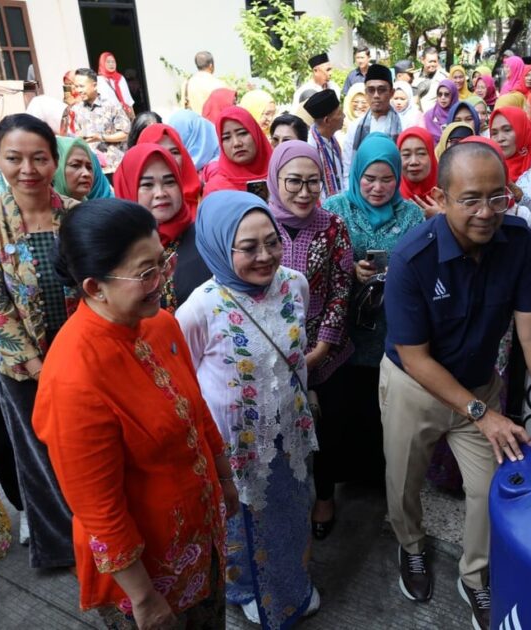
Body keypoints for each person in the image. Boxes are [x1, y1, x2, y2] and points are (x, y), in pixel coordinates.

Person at [380, 140, 531, 629]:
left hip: (479, 386)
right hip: (416, 387)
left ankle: (475, 576)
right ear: (441, 197)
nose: (486, 212)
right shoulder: (412, 259)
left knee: (492, 489)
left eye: (498, 197)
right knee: (403, 481)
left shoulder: (518, 242)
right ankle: (410, 546)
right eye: (470, 198)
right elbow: (415, 357)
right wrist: (482, 413)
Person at [33, 198, 237, 628]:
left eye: (163, 262)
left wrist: (223, 476)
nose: (163, 280)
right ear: (93, 287)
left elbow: (196, 408)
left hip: (198, 537)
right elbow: (99, 509)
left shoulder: (159, 324)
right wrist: (144, 598)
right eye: (146, 273)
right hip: (146, 574)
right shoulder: (74, 377)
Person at [176, 190, 320, 627]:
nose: (266, 256)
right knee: (242, 522)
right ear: (221, 246)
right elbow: (183, 381)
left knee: (292, 513)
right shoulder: (199, 307)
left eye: (272, 242)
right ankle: (245, 590)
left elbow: (295, 355)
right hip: (235, 445)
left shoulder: (296, 284)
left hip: (290, 430)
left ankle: (292, 584)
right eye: (249, 247)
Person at [0, 114, 77, 569]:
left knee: (85, 448)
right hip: (24, 368)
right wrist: (41, 368)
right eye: (14, 158)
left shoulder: (76, 215)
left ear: (53, 160)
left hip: (83, 358)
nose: (28, 168)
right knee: (39, 456)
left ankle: (102, 534)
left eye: (39, 157)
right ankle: (60, 545)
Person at [322, 133, 423, 490]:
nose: (378, 188)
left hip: (390, 330)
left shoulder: (411, 214)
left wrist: (401, 274)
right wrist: (351, 269)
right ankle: (343, 478)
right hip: (344, 331)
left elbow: (422, 266)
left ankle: (380, 479)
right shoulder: (335, 209)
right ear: (356, 175)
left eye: (387, 179)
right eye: (369, 178)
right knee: (344, 406)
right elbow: (320, 262)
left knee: (385, 410)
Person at [264, 141, 354, 542]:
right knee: (280, 429)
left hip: (326, 351)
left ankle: (325, 497)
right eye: (294, 182)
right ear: (275, 179)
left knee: (329, 432)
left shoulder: (333, 225)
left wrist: (322, 348)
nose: (304, 192)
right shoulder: (260, 222)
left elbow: (341, 287)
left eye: (313, 183)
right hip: (270, 349)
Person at [113, 144, 210, 312]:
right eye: (147, 185)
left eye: (169, 182)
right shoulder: (115, 249)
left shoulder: (206, 239)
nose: (160, 193)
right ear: (128, 188)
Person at [489, 106, 531, 232]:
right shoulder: (490, 167)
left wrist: (520, 196)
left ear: (522, 129)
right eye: (494, 133)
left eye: (507, 130)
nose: (500, 138)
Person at [342, 64, 402, 184]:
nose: (376, 95)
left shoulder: (404, 126)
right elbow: (348, 169)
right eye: (371, 90)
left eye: (381, 90)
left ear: (391, 92)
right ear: (365, 93)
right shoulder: (355, 127)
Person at [71, 68, 131, 173]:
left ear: (94, 85)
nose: (78, 90)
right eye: (76, 86)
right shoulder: (76, 109)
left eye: (81, 86)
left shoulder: (112, 105)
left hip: (114, 167)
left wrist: (101, 137)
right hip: (91, 170)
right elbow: (76, 135)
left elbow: (125, 133)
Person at [203, 106, 272, 197]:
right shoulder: (215, 189)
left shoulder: (282, 175)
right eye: (226, 138)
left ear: (256, 133)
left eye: (242, 133)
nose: (236, 143)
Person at [137, 123, 202, 217]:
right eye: (158, 152)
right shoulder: (134, 214)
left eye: (174, 152)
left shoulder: (204, 197)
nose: (168, 158)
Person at [304, 90, 346, 201]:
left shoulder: (332, 139)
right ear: (327, 120)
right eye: (340, 113)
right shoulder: (310, 147)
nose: (344, 116)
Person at [53, 136, 113, 201]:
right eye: (75, 165)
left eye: (89, 167)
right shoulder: (47, 209)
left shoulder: (90, 209)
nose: (86, 173)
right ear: (55, 169)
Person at [397, 128, 438, 214]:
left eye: (421, 153)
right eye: (406, 155)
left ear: (431, 156)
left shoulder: (448, 191)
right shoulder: (389, 194)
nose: (414, 162)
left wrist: (443, 217)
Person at [96, 52, 135, 117]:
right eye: (108, 62)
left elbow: (128, 99)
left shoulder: (120, 78)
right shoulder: (99, 80)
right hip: (109, 115)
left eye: (113, 62)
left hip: (123, 114)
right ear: (102, 63)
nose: (111, 64)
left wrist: (133, 116)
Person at [421, 79, 458, 144]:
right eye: (439, 94)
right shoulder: (429, 115)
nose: (443, 97)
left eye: (446, 94)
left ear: (453, 95)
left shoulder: (459, 113)